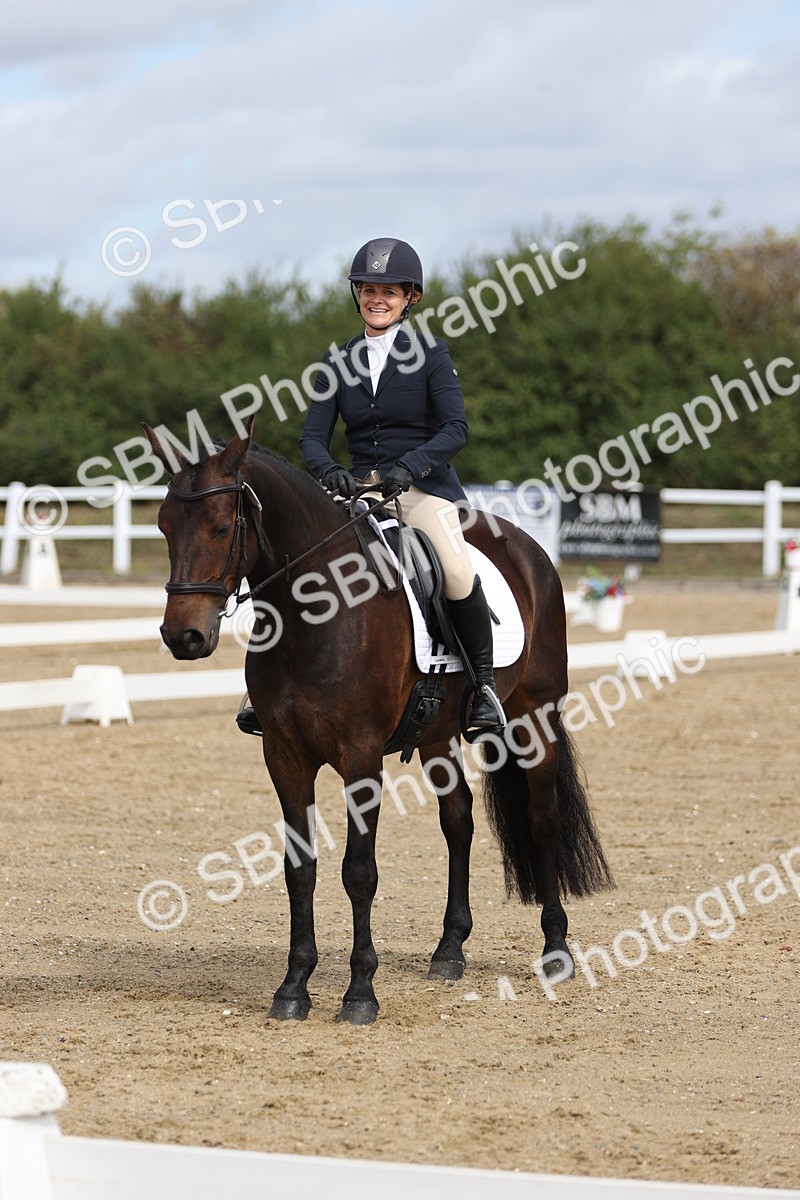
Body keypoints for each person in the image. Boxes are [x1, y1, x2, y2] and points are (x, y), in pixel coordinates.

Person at [236, 237, 504, 737]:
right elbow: (312, 437)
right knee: (294, 563)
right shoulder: (337, 360)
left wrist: (411, 467)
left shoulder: (431, 354)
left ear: (409, 298)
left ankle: (483, 688)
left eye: (389, 290)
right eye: (367, 289)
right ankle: (267, 687)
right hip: (355, 492)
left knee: (455, 568)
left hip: (419, 490)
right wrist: (328, 473)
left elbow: (455, 429)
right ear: (356, 294)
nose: (376, 298)